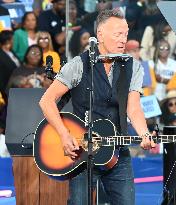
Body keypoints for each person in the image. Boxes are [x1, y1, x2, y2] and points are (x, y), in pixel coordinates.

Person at [39, 9, 155, 205]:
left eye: (126, 34)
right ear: (100, 34)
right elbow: (46, 101)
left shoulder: (133, 66)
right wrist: (64, 134)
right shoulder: (78, 65)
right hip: (83, 153)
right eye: (118, 34)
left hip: (118, 152)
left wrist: (144, 133)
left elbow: (133, 108)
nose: (123, 39)